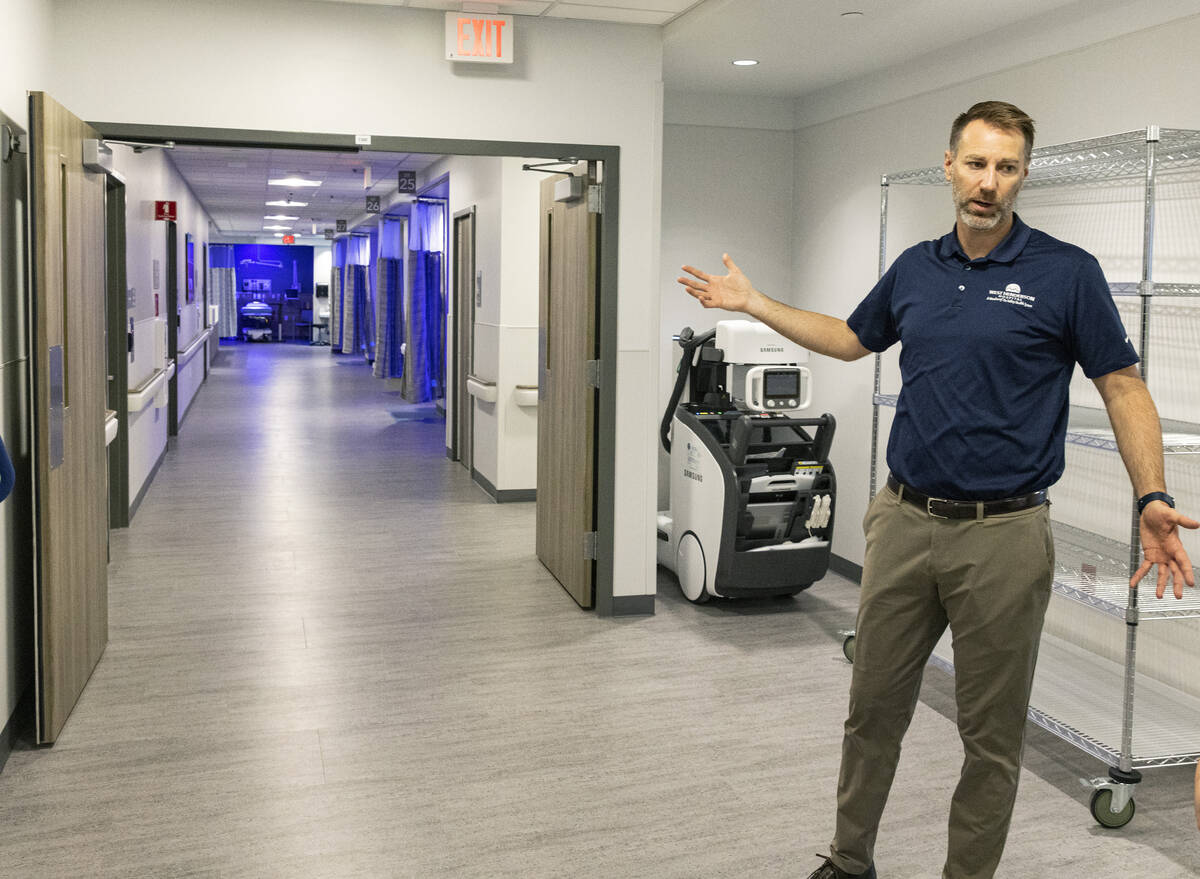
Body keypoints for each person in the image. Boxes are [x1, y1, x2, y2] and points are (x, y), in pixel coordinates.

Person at [677, 101, 1198, 879]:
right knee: (871, 711)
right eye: (977, 164)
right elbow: (852, 340)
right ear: (950, 165)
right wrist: (755, 304)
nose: (989, 183)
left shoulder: (1066, 273)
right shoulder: (918, 268)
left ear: (1023, 174)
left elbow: (1123, 386)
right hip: (904, 518)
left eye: (1007, 167)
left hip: (1006, 535)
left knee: (990, 735)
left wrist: (1151, 495)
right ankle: (850, 860)